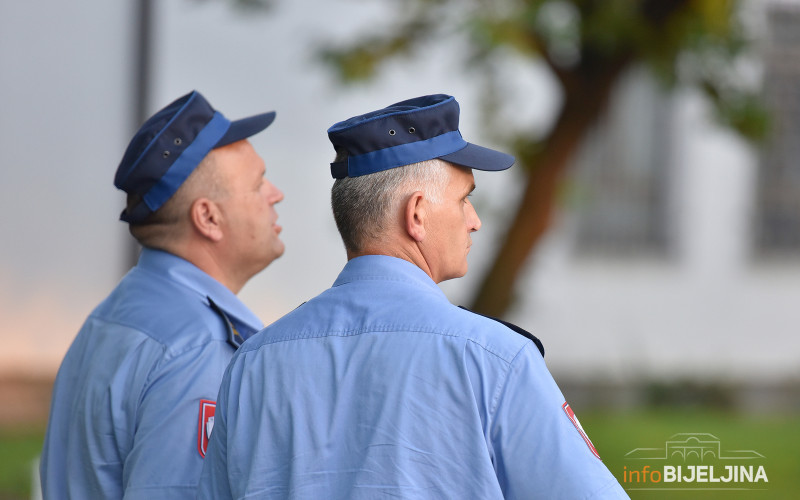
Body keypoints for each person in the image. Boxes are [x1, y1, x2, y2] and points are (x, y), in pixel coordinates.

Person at [198, 94, 628, 499]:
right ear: (417, 214)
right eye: (465, 200)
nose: (474, 221)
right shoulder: (495, 359)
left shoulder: (253, 362)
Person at [40, 90, 285, 499]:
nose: (276, 193)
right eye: (258, 183)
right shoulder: (199, 346)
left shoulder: (116, 313)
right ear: (208, 218)